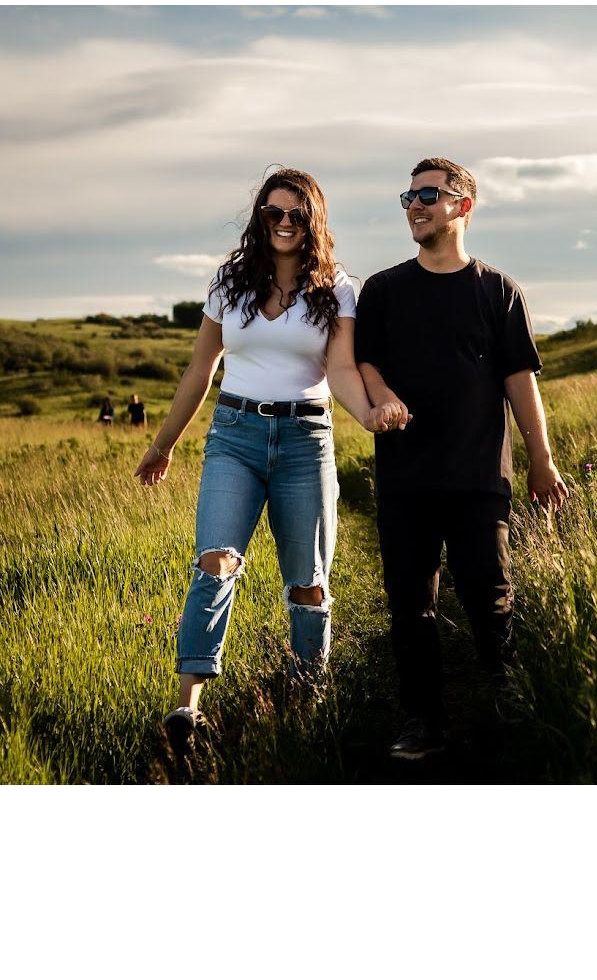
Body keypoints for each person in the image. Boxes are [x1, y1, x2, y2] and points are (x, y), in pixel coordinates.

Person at [133, 166, 398, 761]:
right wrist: (163, 444)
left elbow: (340, 370)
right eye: (273, 212)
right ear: (259, 218)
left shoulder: (337, 289)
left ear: (313, 222)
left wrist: (368, 414)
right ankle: (188, 706)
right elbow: (201, 369)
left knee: (308, 582)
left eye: (296, 215)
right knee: (215, 560)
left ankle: (308, 699)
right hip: (235, 436)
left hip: (306, 440)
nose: (283, 223)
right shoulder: (230, 283)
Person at [355, 156, 569, 761]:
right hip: (405, 477)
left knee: (489, 594)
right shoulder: (383, 290)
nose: (414, 206)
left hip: (479, 476)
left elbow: (520, 381)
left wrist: (541, 459)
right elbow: (365, 361)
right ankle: (423, 720)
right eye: (408, 197)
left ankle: (510, 706)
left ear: (462, 206)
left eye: (428, 195)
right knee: (410, 606)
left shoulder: (497, 290)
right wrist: (382, 394)